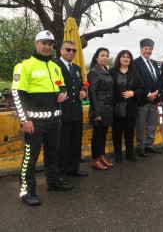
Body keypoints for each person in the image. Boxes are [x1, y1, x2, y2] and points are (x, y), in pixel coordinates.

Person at [12, 30, 72, 206]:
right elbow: (17, 95)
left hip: (54, 121)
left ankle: (53, 182)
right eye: (43, 43)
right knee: (30, 158)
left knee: (53, 154)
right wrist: (24, 120)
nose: (47, 47)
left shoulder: (55, 66)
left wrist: (63, 94)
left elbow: (62, 88)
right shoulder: (24, 66)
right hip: (34, 123)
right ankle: (26, 190)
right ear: (36, 44)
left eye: (50, 44)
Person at [56, 40, 88, 177]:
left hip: (75, 110)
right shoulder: (54, 66)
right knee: (63, 144)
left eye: (74, 51)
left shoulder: (77, 68)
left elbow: (80, 85)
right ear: (61, 50)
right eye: (68, 50)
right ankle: (61, 171)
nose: (71, 53)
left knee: (76, 141)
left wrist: (83, 92)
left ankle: (73, 168)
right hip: (62, 111)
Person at [109, 50, 145, 163]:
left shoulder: (135, 73)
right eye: (123, 57)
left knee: (130, 131)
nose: (126, 59)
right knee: (117, 133)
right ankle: (118, 155)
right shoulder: (112, 72)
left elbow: (142, 88)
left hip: (131, 107)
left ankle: (129, 154)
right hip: (116, 107)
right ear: (119, 58)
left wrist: (133, 93)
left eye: (128, 57)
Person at [134, 38, 162, 157]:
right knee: (140, 124)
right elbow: (138, 81)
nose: (148, 51)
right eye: (146, 48)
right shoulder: (135, 63)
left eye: (150, 49)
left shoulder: (154, 63)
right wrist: (148, 94)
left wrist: (157, 92)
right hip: (142, 99)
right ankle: (140, 147)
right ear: (141, 49)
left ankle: (149, 145)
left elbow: (159, 80)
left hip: (154, 98)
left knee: (151, 123)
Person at [88, 47, 114, 170]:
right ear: (97, 57)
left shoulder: (105, 70)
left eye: (106, 55)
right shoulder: (94, 72)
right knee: (97, 135)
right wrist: (96, 112)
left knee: (103, 134)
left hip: (107, 108)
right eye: (102, 55)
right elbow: (92, 93)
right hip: (99, 108)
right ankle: (95, 159)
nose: (105, 58)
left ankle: (102, 156)